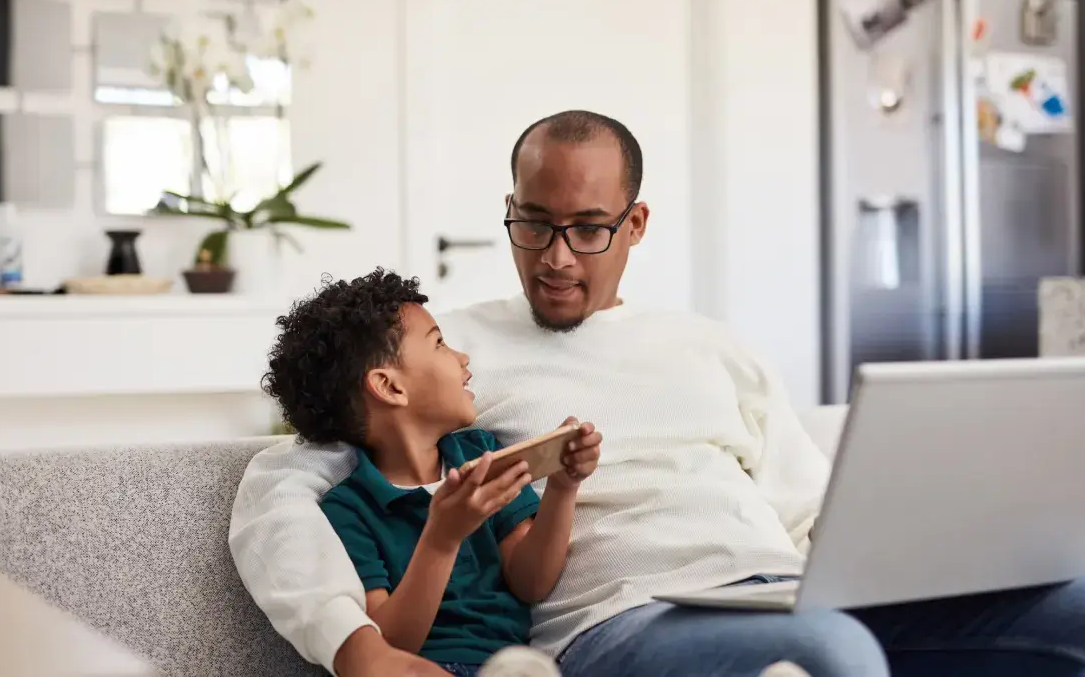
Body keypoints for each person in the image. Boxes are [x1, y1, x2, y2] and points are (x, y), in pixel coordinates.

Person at [230, 110, 1085, 677]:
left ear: (635, 224)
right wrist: (353, 645)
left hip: (779, 590)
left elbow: (813, 506)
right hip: (625, 622)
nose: (556, 257)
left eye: (588, 229)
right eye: (533, 223)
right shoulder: (447, 354)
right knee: (833, 651)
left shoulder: (712, 346)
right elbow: (283, 478)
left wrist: (929, 556)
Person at [259, 268, 601, 677]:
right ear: (390, 387)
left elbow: (531, 583)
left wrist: (563, 486)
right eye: (439, 343)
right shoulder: (349, 509)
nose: (463, 358)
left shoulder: (482, 455)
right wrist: (442, 539)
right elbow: (390, 646)